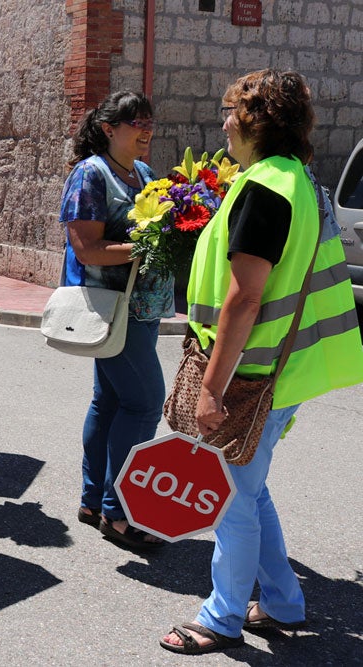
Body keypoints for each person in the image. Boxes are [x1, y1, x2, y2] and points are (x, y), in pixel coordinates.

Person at [159, 69, 363, 655]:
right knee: (249, 487)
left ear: (256, 121)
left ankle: (220, 618)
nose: (223, 122)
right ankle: (280, 602)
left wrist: (212, 389)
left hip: (251, 372)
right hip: (282, 368)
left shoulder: (264, 188)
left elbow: (245, 297)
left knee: (232, 499)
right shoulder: (297, 180)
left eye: (232, 113)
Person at [58, 91, 173, 549]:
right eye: (137, 123)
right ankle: (119, 512)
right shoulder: (91, 174)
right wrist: (151, 246)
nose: (146, 131)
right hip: (109, 307)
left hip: (141, 307)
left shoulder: (142, 173)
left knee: (109, 401)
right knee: (145, 403)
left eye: (149, 122)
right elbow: (86, 248)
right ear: (109, 128)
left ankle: (94, 502)